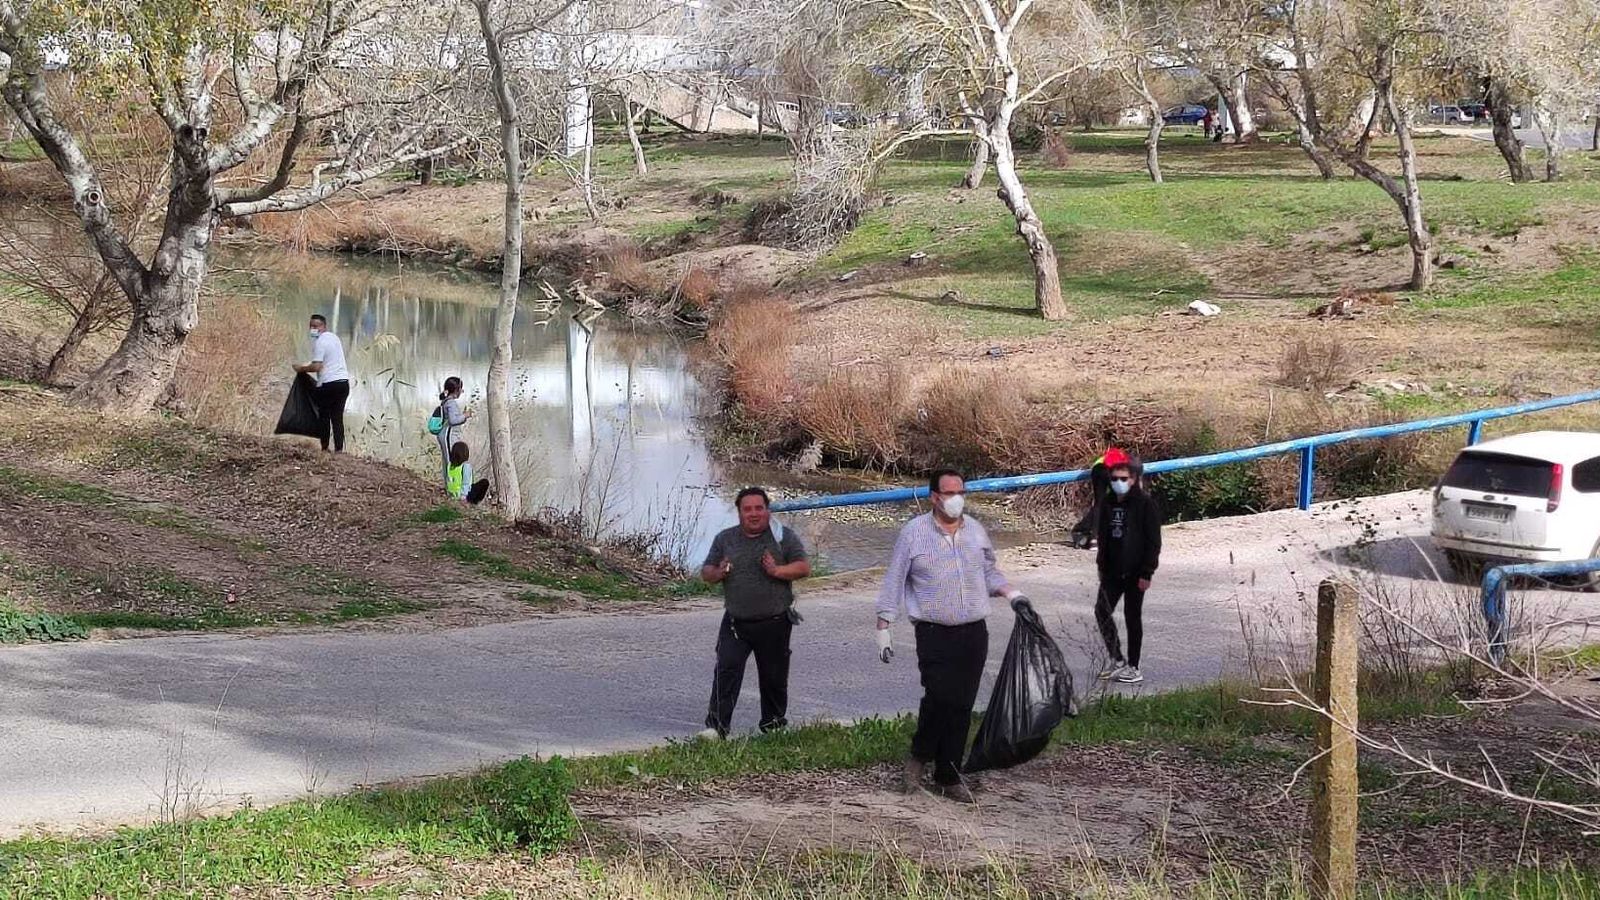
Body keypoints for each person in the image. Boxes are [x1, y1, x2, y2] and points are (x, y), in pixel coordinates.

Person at [876, 469, 1027, 803]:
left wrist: (1011, 593)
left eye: (961, 491)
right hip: (933, 632)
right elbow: (894, 580)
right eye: (949, 492)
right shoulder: (913, 534)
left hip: (973, 631)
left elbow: (989, 571)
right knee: (940, 696)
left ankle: (948, 774)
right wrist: (884, 625)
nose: (956, 498)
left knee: (961, 704)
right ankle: (919, 754)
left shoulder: (975, 531)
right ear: (934, 497)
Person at [698, 487, 811, 740]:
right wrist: (719, 572)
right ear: (739, 512)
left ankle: (773, 727)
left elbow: (803, 567)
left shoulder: (782, 538)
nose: (753, 514)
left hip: (775, 622)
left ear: (767, 511)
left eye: (759, 508)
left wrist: (776, 571)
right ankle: (716, 729)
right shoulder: (725, 539)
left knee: (773, 678)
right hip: (736, 623)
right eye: (747, 509)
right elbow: (706, 573)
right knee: (726, 672)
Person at [1093, 454, 1163, 685]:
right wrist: (1101, 565)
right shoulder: (1108, 503)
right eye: (1114, 478)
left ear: (1133, 479)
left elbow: (1153, 542)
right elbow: (1103, 537)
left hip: (1135, 572)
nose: (1118, 482)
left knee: (1132, 617)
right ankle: (1117, 659)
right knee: (1102, 612)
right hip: (1112, 571)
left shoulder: (1145, 504)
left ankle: (1134, 665)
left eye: (1123, 478)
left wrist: (1147, 572)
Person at [293, 314, 350, 453]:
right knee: (337, 417)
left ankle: (325, 448)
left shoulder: (320, 342)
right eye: (311, 326)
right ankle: (339, 450)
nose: (313, 329)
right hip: (343, 383)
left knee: (324, 416)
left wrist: (302, 369)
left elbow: (317, 366)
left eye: (316, 326)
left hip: (329, 385)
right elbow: (327, 361)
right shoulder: (334, 338)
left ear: (324, 326)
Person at [1069, 447, 1126, 549]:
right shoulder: (1126, 463)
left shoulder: (1102, 459)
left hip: (1098, 469)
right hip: (1110, 471)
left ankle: (1092, 539)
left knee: (1099, 504)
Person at [436, 377, 472, 486]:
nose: (462, 391)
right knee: (450, 461)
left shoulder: (446, 401)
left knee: (448, 459)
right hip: (449, 435)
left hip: (447, 434)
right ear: (456, 390)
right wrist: (465, 415)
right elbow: (452, 421)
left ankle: (451, 486)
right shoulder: (450, 403)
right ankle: (452, 488)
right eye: (461, 388)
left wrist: (463, 417)